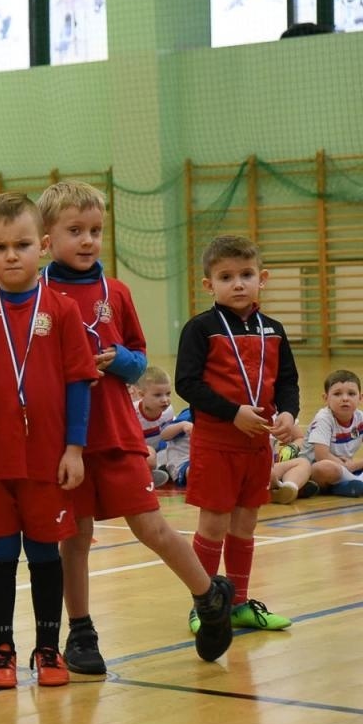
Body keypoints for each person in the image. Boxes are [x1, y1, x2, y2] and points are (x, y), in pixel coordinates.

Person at [37, 181, 238, 675]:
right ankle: (81, 631)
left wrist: (118, 360)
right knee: (75, 537)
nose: (87, 240)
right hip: (64, 440)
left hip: (116, 429)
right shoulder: (36, 294)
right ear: (46, 239)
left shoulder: (117, 292)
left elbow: (140, 358)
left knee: (150, 524)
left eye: (96, 231)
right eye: (75, 231)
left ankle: (208, 596)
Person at [0, 193, 95, 689]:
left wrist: (74, 448)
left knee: (43, 554)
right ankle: (1, 651)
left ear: (41, 246)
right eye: (0, 246)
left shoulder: (61, 312)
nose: (11, 255)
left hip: (46, 462)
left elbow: (79, 382)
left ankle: (48, 649)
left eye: (21, 244)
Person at [176, 235, 299, 637]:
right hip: (215, 444)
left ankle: (241, 603)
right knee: (213, 524)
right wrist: (232, 413)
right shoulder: (201, 329)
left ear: (262, 278)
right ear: (209, 284)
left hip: (256, 446)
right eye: (226, 277)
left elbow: (287, 381)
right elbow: (187, 383)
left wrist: (287, 412)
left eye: (246, 275)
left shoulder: (274, 330)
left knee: (245, 525)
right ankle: (204, 605)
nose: (238, 284)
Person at [304, 370, 363, 498]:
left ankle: (350, 483)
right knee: (326, 468)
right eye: (337, 394)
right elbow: (322, 456)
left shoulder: (360, 418)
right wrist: (349, 467)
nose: (345, 398)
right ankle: (345, 484)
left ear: (360, 398)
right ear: (326, 399)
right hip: (314, 468)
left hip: (346, 468)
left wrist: (355, 465)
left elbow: (352, 465)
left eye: (351, 394)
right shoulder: (324, 418)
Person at [134, 366, 192, 489]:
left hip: (159, 453)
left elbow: (166, 438)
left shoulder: (168, 412)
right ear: (141, 395)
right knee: (149, 456)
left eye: (168, 394)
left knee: (169, 454)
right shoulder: (131, 411)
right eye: (157, 395)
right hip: (139, 452)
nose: (165, 400)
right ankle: (140, 475)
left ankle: (153, 473)